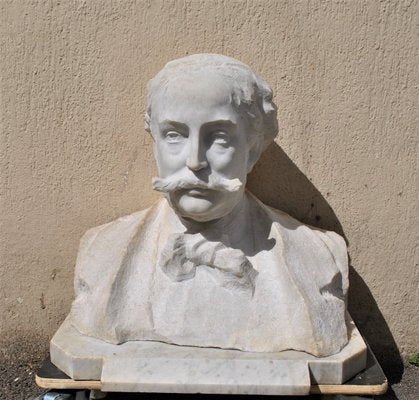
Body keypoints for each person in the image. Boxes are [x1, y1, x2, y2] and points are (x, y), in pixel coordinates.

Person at [69, 54, 349, 357]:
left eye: (218, 137)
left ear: (252, 150)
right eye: (174, 135)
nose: (194, 162)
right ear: (155, 143)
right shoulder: (102, 252)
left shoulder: (319, 256)